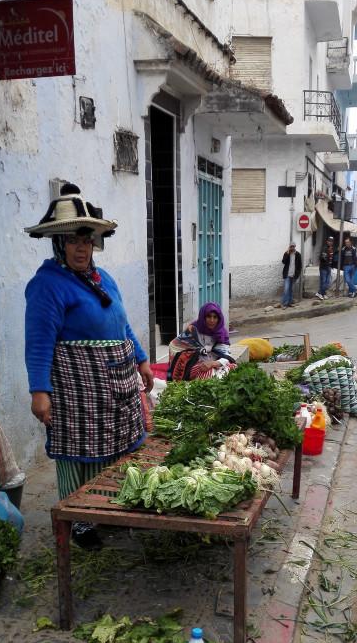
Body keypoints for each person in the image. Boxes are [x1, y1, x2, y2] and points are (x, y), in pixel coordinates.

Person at [24, 183, 154, 548]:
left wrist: (142, 359)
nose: (81, 247)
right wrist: (39, 392)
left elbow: (122, 323)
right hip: (75, 388)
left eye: (87, 239)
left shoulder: (103, 278)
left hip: (115, 383)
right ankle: (78, 522)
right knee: (77, 455)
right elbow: (38, 342)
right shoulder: (47, 285)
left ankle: (106, 508)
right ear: (58, 244)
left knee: (113, 449)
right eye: (72, 240)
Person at [167, 302, 235, 381]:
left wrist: (213, 363)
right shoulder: (193, 330)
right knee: (209, 374)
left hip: (213, 363)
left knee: (233, 368)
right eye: (209, 316)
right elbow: (174, 345)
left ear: (219, 319)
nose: (212, 320)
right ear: (203, 317)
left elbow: (226, 355)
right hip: (195, 364)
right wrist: (194, 354)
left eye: (215, 317)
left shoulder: (221, 333)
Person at [281, 242, 302, 308]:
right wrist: (287, 253)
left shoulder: (298, 254)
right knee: (286, 289)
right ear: (289, 247)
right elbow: (283, 262)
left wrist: (297, 274)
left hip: (294, 275)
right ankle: (285, 304)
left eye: (293, 246)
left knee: (291, 289)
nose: (292, 248)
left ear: (295, 246)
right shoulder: (286, 253)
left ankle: (289, 303)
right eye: (291, 246)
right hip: (287, 275)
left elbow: (300, 266)